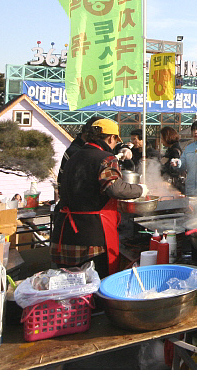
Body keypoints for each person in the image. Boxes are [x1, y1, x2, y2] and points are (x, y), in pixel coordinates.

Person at [51, 119, 147, 278]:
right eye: (116, 140)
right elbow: (114, 188)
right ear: (111, 138)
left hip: (64, 233)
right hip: (91, 238)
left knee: (68, 285)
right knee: (96, 284)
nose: (115, 144)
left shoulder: (73, 155)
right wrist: (140, 190)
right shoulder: (106, 158)